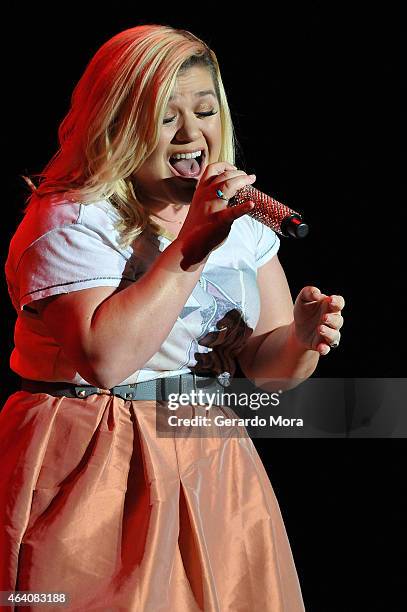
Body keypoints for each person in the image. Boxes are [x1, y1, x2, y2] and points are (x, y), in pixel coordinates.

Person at [1, 24, 344, 611]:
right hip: (97, 455)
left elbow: (264, 372)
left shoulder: (240, 226)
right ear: (119, 122)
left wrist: (302, 342)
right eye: (166, 116)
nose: (192, 134)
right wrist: (193, 246)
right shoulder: (73, 219)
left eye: (206, 111)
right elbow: (105, 358)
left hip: (208, 447)